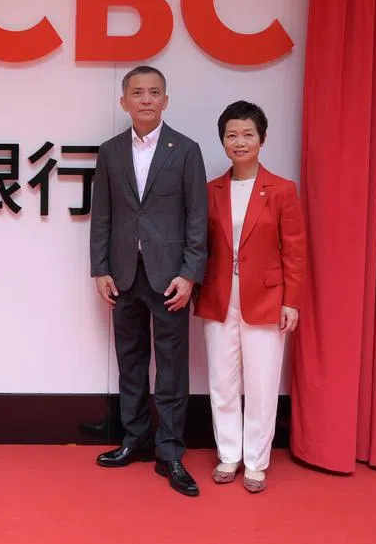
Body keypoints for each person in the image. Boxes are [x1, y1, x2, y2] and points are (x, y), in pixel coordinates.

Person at [89, 65, 208, 497]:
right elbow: (102, 215)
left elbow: (197, 218)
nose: (145, 99)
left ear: (165, 101)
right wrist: (99, 268)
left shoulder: (186, 150)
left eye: (153, 92)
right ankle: (134, 439)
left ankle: (170, 451)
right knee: (131, 360)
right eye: (137, 92)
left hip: (170, 277)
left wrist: (190, 274)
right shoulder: (110, 152)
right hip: (123, 274)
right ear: (124, 101)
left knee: (172, 367)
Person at [196, 101, 304, 493]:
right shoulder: (211, 190)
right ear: (222, 140)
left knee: (261, 382)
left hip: (267, 299)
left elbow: (293, 250)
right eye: (231, 135)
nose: (239, 142)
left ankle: (257, 460)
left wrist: (291, 300)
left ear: (262, 139)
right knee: (222, 381)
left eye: (247, 135)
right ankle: (229, 454)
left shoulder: (282, 190)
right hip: (219, 295)